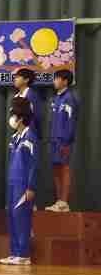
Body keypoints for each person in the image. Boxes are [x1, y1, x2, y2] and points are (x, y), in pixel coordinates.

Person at [0, 98, 38, 265]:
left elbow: (33, 164)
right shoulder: (15, 137)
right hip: (12, 182)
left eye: (13, 115)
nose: (12, 119)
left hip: (23, 184)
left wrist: (30, 186)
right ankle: (15, 252)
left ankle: (23, 254)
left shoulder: (30, 137)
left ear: (21, 118)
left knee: (21, 218)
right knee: (12, 217)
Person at [46, 69, 78, 213]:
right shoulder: (56, 99)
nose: (54, 81)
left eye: (57, 78)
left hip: (64, 141)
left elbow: (71, 121)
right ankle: (59, 201)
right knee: (56, 170)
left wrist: (66, 141)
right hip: (54, 140)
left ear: (65, 81)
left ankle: (64, 202)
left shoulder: (69, 98)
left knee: (64, 169)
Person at [13, 68, 42, 137]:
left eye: (18, 77)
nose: (15, 79)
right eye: (15, 77)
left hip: (29, 133)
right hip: (19, 132)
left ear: (26, 80)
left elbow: (36, 117)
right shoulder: (16, 96)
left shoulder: (32, 96)